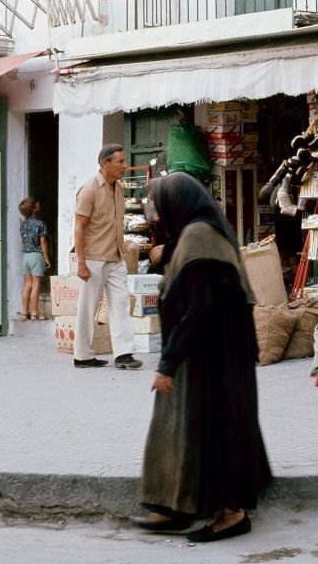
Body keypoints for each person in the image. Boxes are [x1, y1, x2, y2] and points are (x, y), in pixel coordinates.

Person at [136, 172, 271, 542]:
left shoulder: (199, 237)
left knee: (216, 433)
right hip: (207, 355)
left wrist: (166, 364)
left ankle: (231, 515)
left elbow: (196, 307)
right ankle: (174, 505)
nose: (158, 214)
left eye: (161, 205)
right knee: (184, 428)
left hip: (212, 358)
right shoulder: (198, 232)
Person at [73, 144, 142, 370]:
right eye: (120, 162)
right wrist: (81, 263)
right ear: (105, 164)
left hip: (115, 255)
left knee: (120, 304)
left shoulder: (118, 188)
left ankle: (124, 353)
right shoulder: (89, 189)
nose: (125, 165)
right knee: (88, 307)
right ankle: (82, 355)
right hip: (93, 257)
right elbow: (79, 228)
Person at [19, 197, 50, 320]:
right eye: (37, 203)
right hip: (36, 256)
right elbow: (43, 243)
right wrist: (46, 258)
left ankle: (24, 312)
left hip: (25, 256)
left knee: (27, 284)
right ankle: (34, 312)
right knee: (36, 284)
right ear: (34, 208)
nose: (39, 204)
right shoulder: (40, 223)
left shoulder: (23, 224)